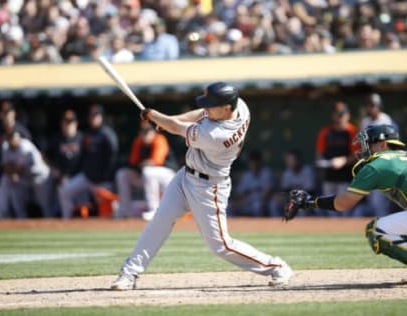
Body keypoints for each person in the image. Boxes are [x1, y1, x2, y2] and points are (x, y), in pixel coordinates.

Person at [111, 81, 292, 290]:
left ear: (225, 108)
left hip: (209, 188)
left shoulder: (217, 135)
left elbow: (176, 128)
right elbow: (199, 115)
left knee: (221, 245)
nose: (206, 107)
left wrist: (153, 116)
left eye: (211, 104)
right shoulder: (239, 106)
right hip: (185, 177)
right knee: (159, 221)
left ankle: (277, 266)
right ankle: (129, 273)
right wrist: (168, 120)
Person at [284, 124, 407, 287]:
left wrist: (310, 202)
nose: (364, 149)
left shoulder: (379, 163)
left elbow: (344, 203)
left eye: (370, 144)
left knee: (376, 229)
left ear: (383, 144)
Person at [58, 104, 118, 219]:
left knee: (107, 211)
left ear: (101, 117)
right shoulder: (87, 134)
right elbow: (82, 157)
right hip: (87, 177)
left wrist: (106, 177)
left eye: (96, 115)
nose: (93, 118)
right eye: (91, 116)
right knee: (64, 191)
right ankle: (67, 220)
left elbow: (112, 157)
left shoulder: (107, 133)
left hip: (103, 181)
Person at [115, 122, 176, 219]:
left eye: (147, 132)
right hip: (147, 176)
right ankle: (125, 210)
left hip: (168, 177)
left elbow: (156, 161)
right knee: (122, 174)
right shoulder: (138, 142)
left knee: (148, 171)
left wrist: (142, 164)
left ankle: (154, 210)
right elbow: (133, 162)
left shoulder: (159, 139)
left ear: (153, 132)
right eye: (143, 132)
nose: (145, 135)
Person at [0, 129, 53, 218]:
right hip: (24, 177)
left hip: (39, 177)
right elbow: (6, 168)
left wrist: (10, 169)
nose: (12, 140)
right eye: (10, 138)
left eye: (14, 137)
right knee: (6, 181)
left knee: (45, 205)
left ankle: (52, 224)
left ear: (18, 137)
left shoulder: (25, 146)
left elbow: (20, 169)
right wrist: (11, 170)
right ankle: (6, 213)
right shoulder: (5, 146)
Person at [315, 101, 360, 215]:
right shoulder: (326, 132)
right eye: (337, 114)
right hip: (329, 175)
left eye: (342, 114)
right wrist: (323, 162)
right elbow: (319, 154)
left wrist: (343, 160)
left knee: (345, 210)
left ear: (347, 115)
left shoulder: (352, 131)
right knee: (330, 211)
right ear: (333, 115)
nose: (339, 117)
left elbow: (357, 155)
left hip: (345, 177)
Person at [359, 93, 397, 217]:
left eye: (373, 105)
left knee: (383, 200)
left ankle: (384, 225)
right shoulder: (365, 122)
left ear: (379, 106)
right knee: (373, 200)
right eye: (368, 105)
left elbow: (395, 143)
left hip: (386, 162)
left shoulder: (386, 120)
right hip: (372, 162)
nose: (370, 108)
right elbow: (363, 143)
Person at [45, 109, 83, 216]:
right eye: (65, 122)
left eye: (70, 122)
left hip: (79, 176)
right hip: (62, 177)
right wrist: (52, 169)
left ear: (75, 123)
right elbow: (45, 156)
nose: (67, 125)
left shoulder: (82, 138)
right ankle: (64, 219)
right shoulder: (57, 139)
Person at [231, 149, 276, 217]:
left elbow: (266, 194)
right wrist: (237, 201)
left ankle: (261, 227)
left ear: (259, 161)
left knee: (257, 205)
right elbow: (239, 194)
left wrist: (248, 201)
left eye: (255, 160)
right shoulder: (246, 176)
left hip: (263, 202)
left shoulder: (266, 173)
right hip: (247, 203)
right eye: (251, 161)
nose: (253, 163)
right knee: (230, 206)